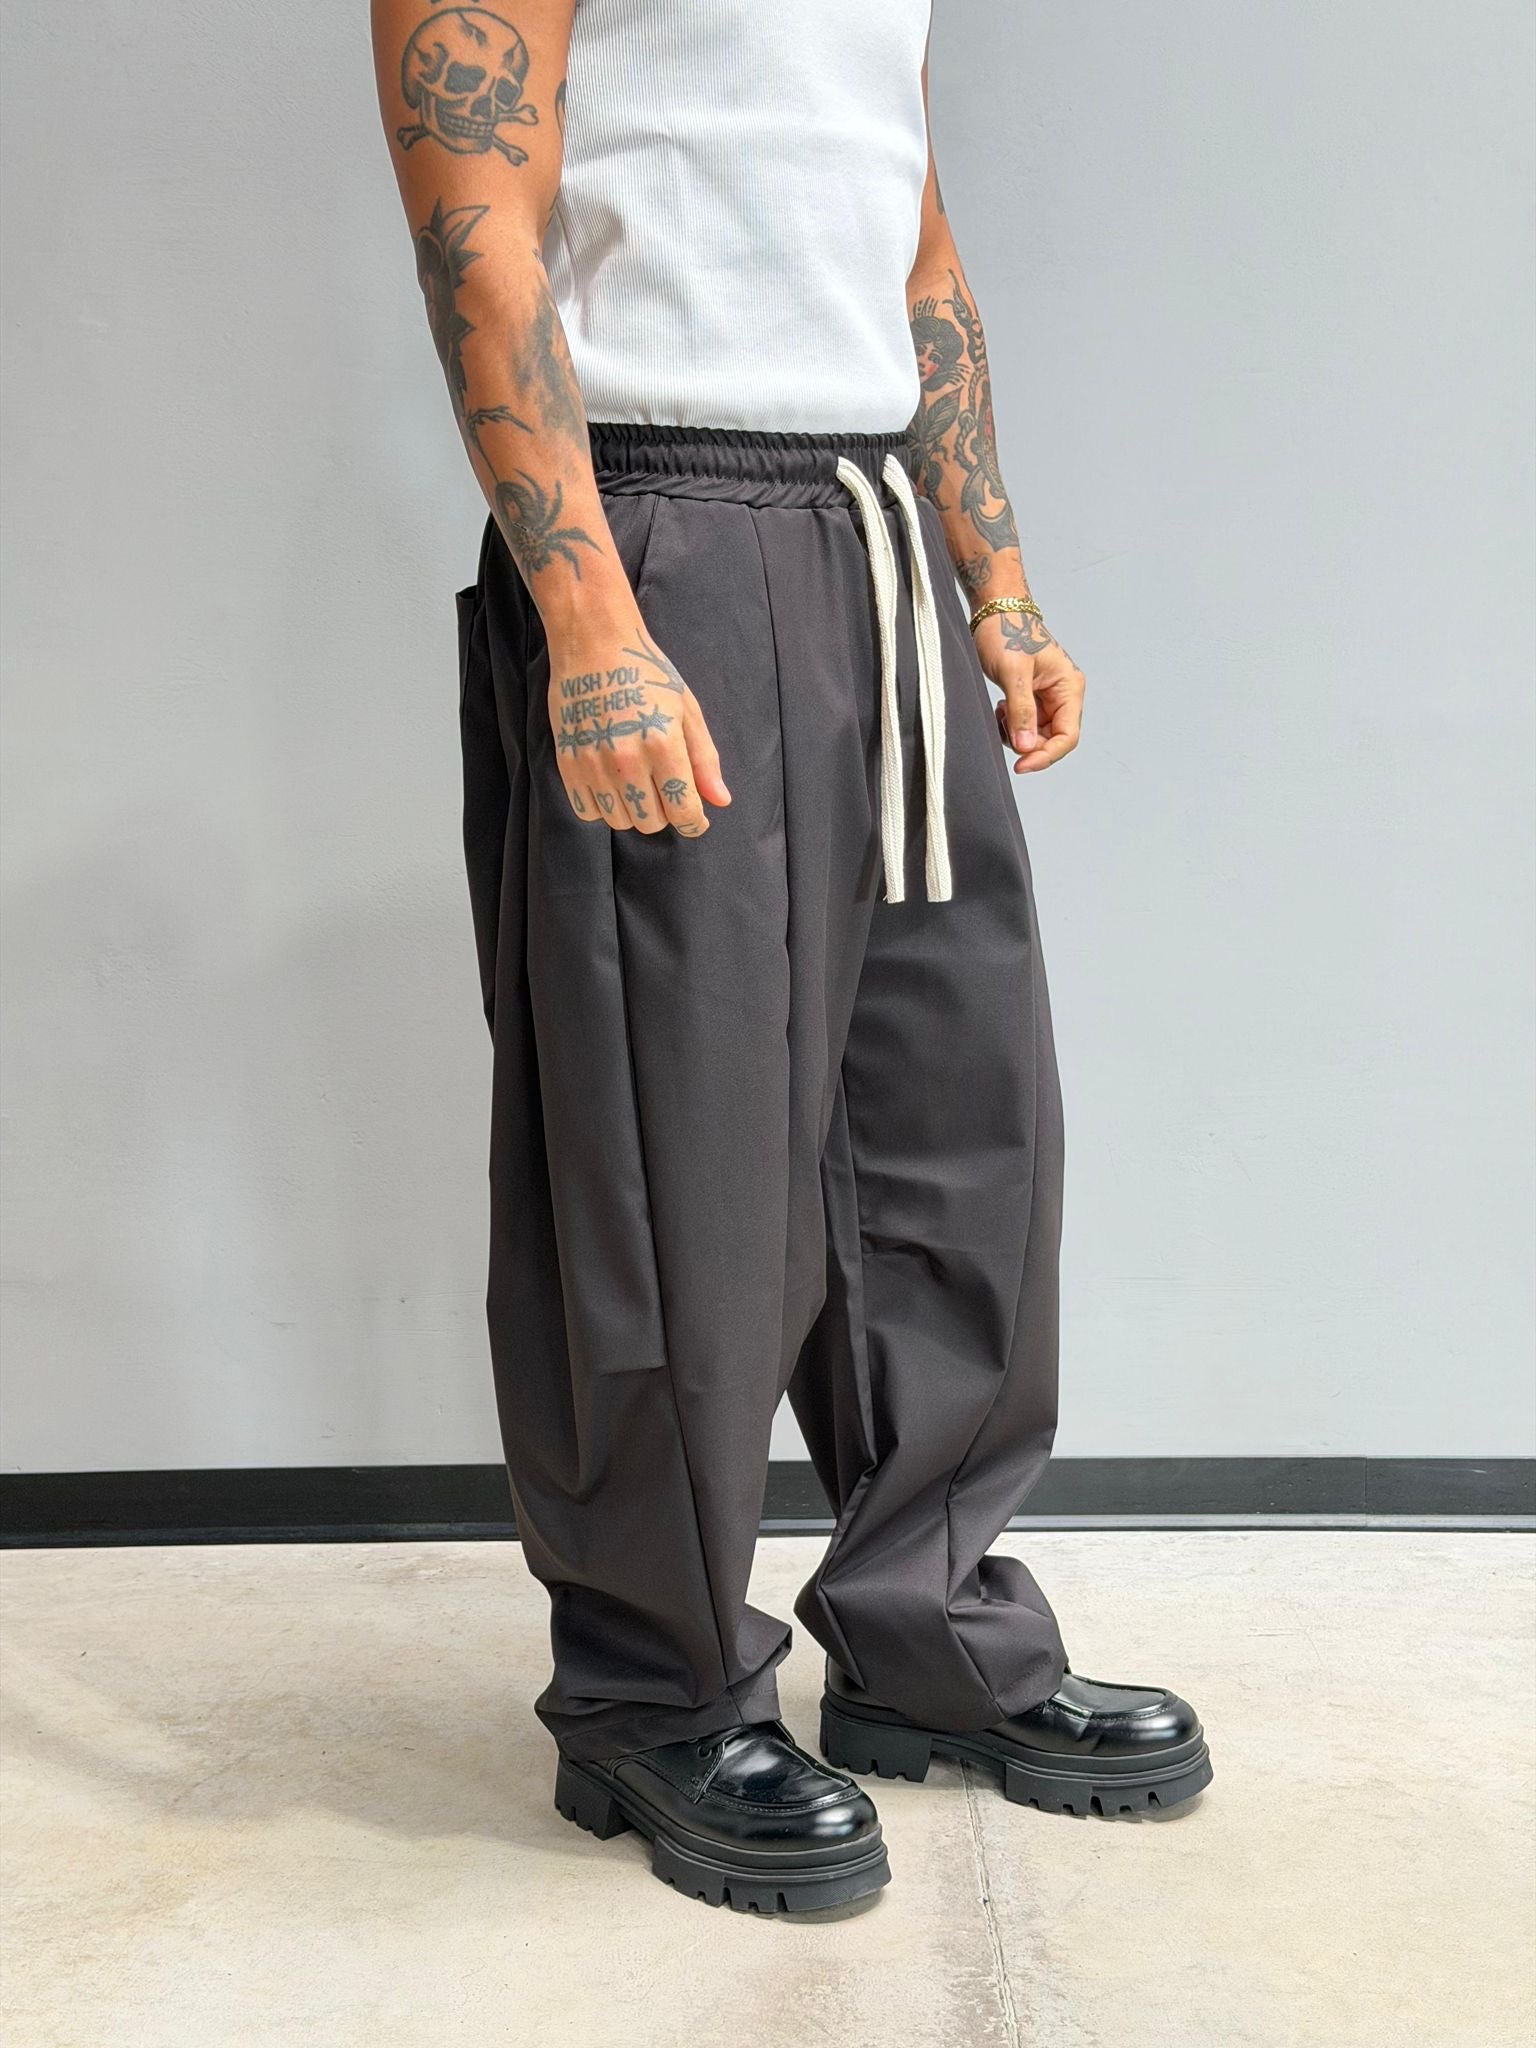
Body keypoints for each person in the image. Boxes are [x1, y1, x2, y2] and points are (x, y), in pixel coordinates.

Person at [372, 0, 1210, 1914]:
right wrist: (591, 619)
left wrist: (997, 582)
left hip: (878, 529)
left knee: (950, 1129)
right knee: (671, 1150)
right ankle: (656, 1692)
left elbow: (912, 248)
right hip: (661, 523)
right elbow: (477, 233)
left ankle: (930, 1639)